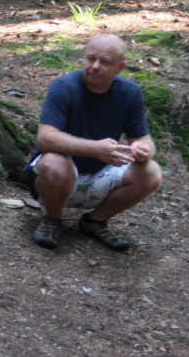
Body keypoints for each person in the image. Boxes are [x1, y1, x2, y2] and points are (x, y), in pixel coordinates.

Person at [25, 33, 161, 252]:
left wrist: (143, 149)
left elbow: (143, 138)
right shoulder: (64, 87)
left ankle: (94, 221)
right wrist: (95, 149)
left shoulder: (130, 93)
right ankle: (52, 218)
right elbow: (46, 138)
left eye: (105, 62)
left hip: (100, 176)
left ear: (120, 67)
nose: (95, 66)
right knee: (53, 162)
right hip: (55, 177)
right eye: (91, 59)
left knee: (151, 171)